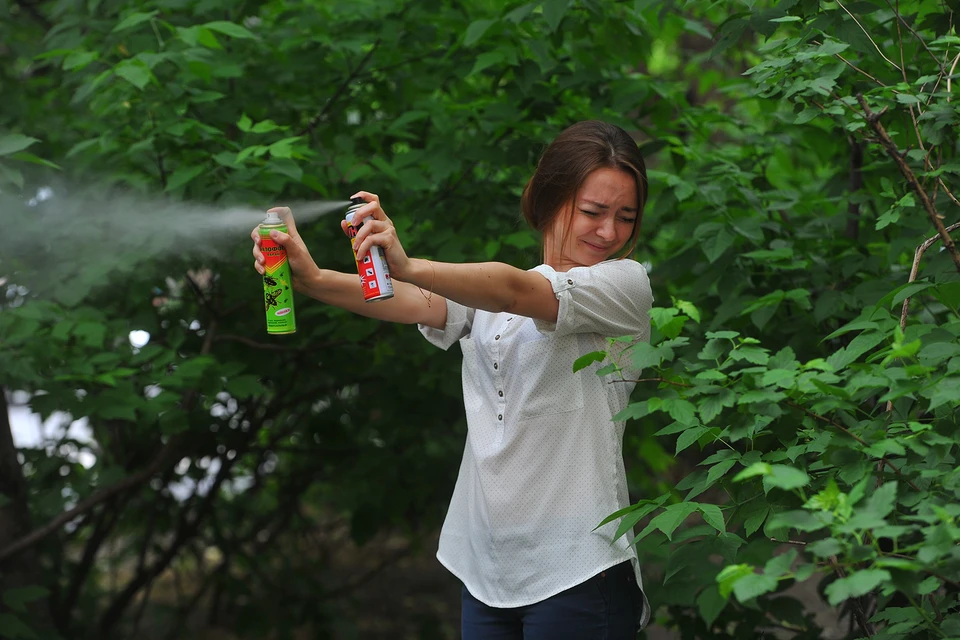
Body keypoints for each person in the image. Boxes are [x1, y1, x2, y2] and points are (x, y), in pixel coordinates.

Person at [251, 120, 653, 639]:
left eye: (626, 217)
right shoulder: (489, 295)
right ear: (548, 199)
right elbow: (418, 301)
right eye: (593, 212)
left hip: (579, 569)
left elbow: (513, 290)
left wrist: (408, 263)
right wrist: (312, 279)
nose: (610, 232)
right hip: (486, 571)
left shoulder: (623, 286)